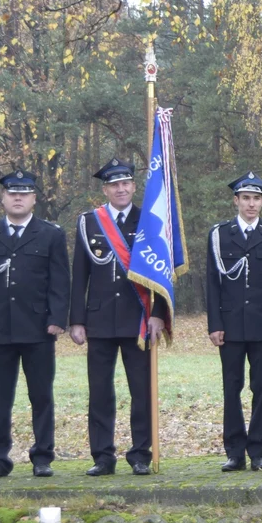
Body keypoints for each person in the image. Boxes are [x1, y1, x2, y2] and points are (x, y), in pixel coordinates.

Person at [0, 170, 70, 478]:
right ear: (3, 198)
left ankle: (42, 457)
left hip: (38, 328)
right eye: (13, 193)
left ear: (34, 199)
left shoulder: (51, 233)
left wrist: (57, 319)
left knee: (41, 395)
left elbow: (60, 282)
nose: (18, 198)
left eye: (24, 193)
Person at [69, 158, 166, 476]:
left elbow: (162, 274)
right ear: (105, 189)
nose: (121, 188)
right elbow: (79, 275)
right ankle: (102, 456)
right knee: (100, 391)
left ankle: (140, 454)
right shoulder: (89, 222)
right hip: (98, 321)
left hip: (138, 319)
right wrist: (77, 319)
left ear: (134, 186)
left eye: (125, 183)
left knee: (141, 391)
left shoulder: (149, 220)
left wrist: (159, 315)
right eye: (114, 184)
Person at [206, 172, 262, 473]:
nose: (251, 204)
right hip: (229, 325)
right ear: (236, 200)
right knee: (232, 387)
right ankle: (234, 452)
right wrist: (214, 324)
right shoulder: (219, 234)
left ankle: (257, 450)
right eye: (246, 198)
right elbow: (212, 283)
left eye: (256, 199)